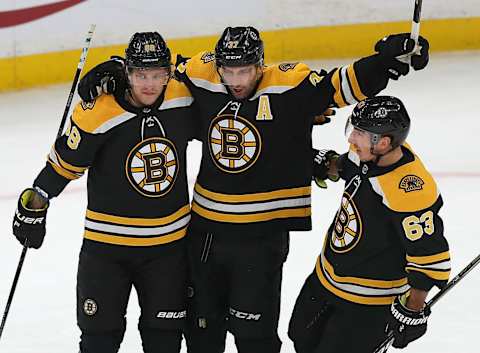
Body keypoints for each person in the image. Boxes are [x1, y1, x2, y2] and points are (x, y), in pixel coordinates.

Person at [77, 27, 430, 353]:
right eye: (228, 71)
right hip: (206, 236)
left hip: (261, 239)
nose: (235, 80)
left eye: (244, 70)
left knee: (255, 336)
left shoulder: (289, 84)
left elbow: (339, 85)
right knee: (201, 329)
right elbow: (155, 70)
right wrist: (115, 68)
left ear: (260, 64)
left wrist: (384, 62)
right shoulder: (202, 75)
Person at [12, 32, 196, 353]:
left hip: (168, 251)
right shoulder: (100, 111)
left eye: (157, 75)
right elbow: (63, 164)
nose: (150, 84)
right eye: (140, 75)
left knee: (164, 341)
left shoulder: (183, 97)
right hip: (106, 253)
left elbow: (215, 69)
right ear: (128, 73)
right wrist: (35, 203)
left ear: (169, 72)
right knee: (99, 341)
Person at [288, 95, 451, 353]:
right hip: (326, 280)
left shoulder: (409, 190)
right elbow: (345, 167)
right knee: (301, 338)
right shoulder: (366, 155)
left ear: (383, 142)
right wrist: (327, 164)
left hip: (368, 304)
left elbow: (430, 256)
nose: (351, 138)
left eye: (360, 132)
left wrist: (414, 306)